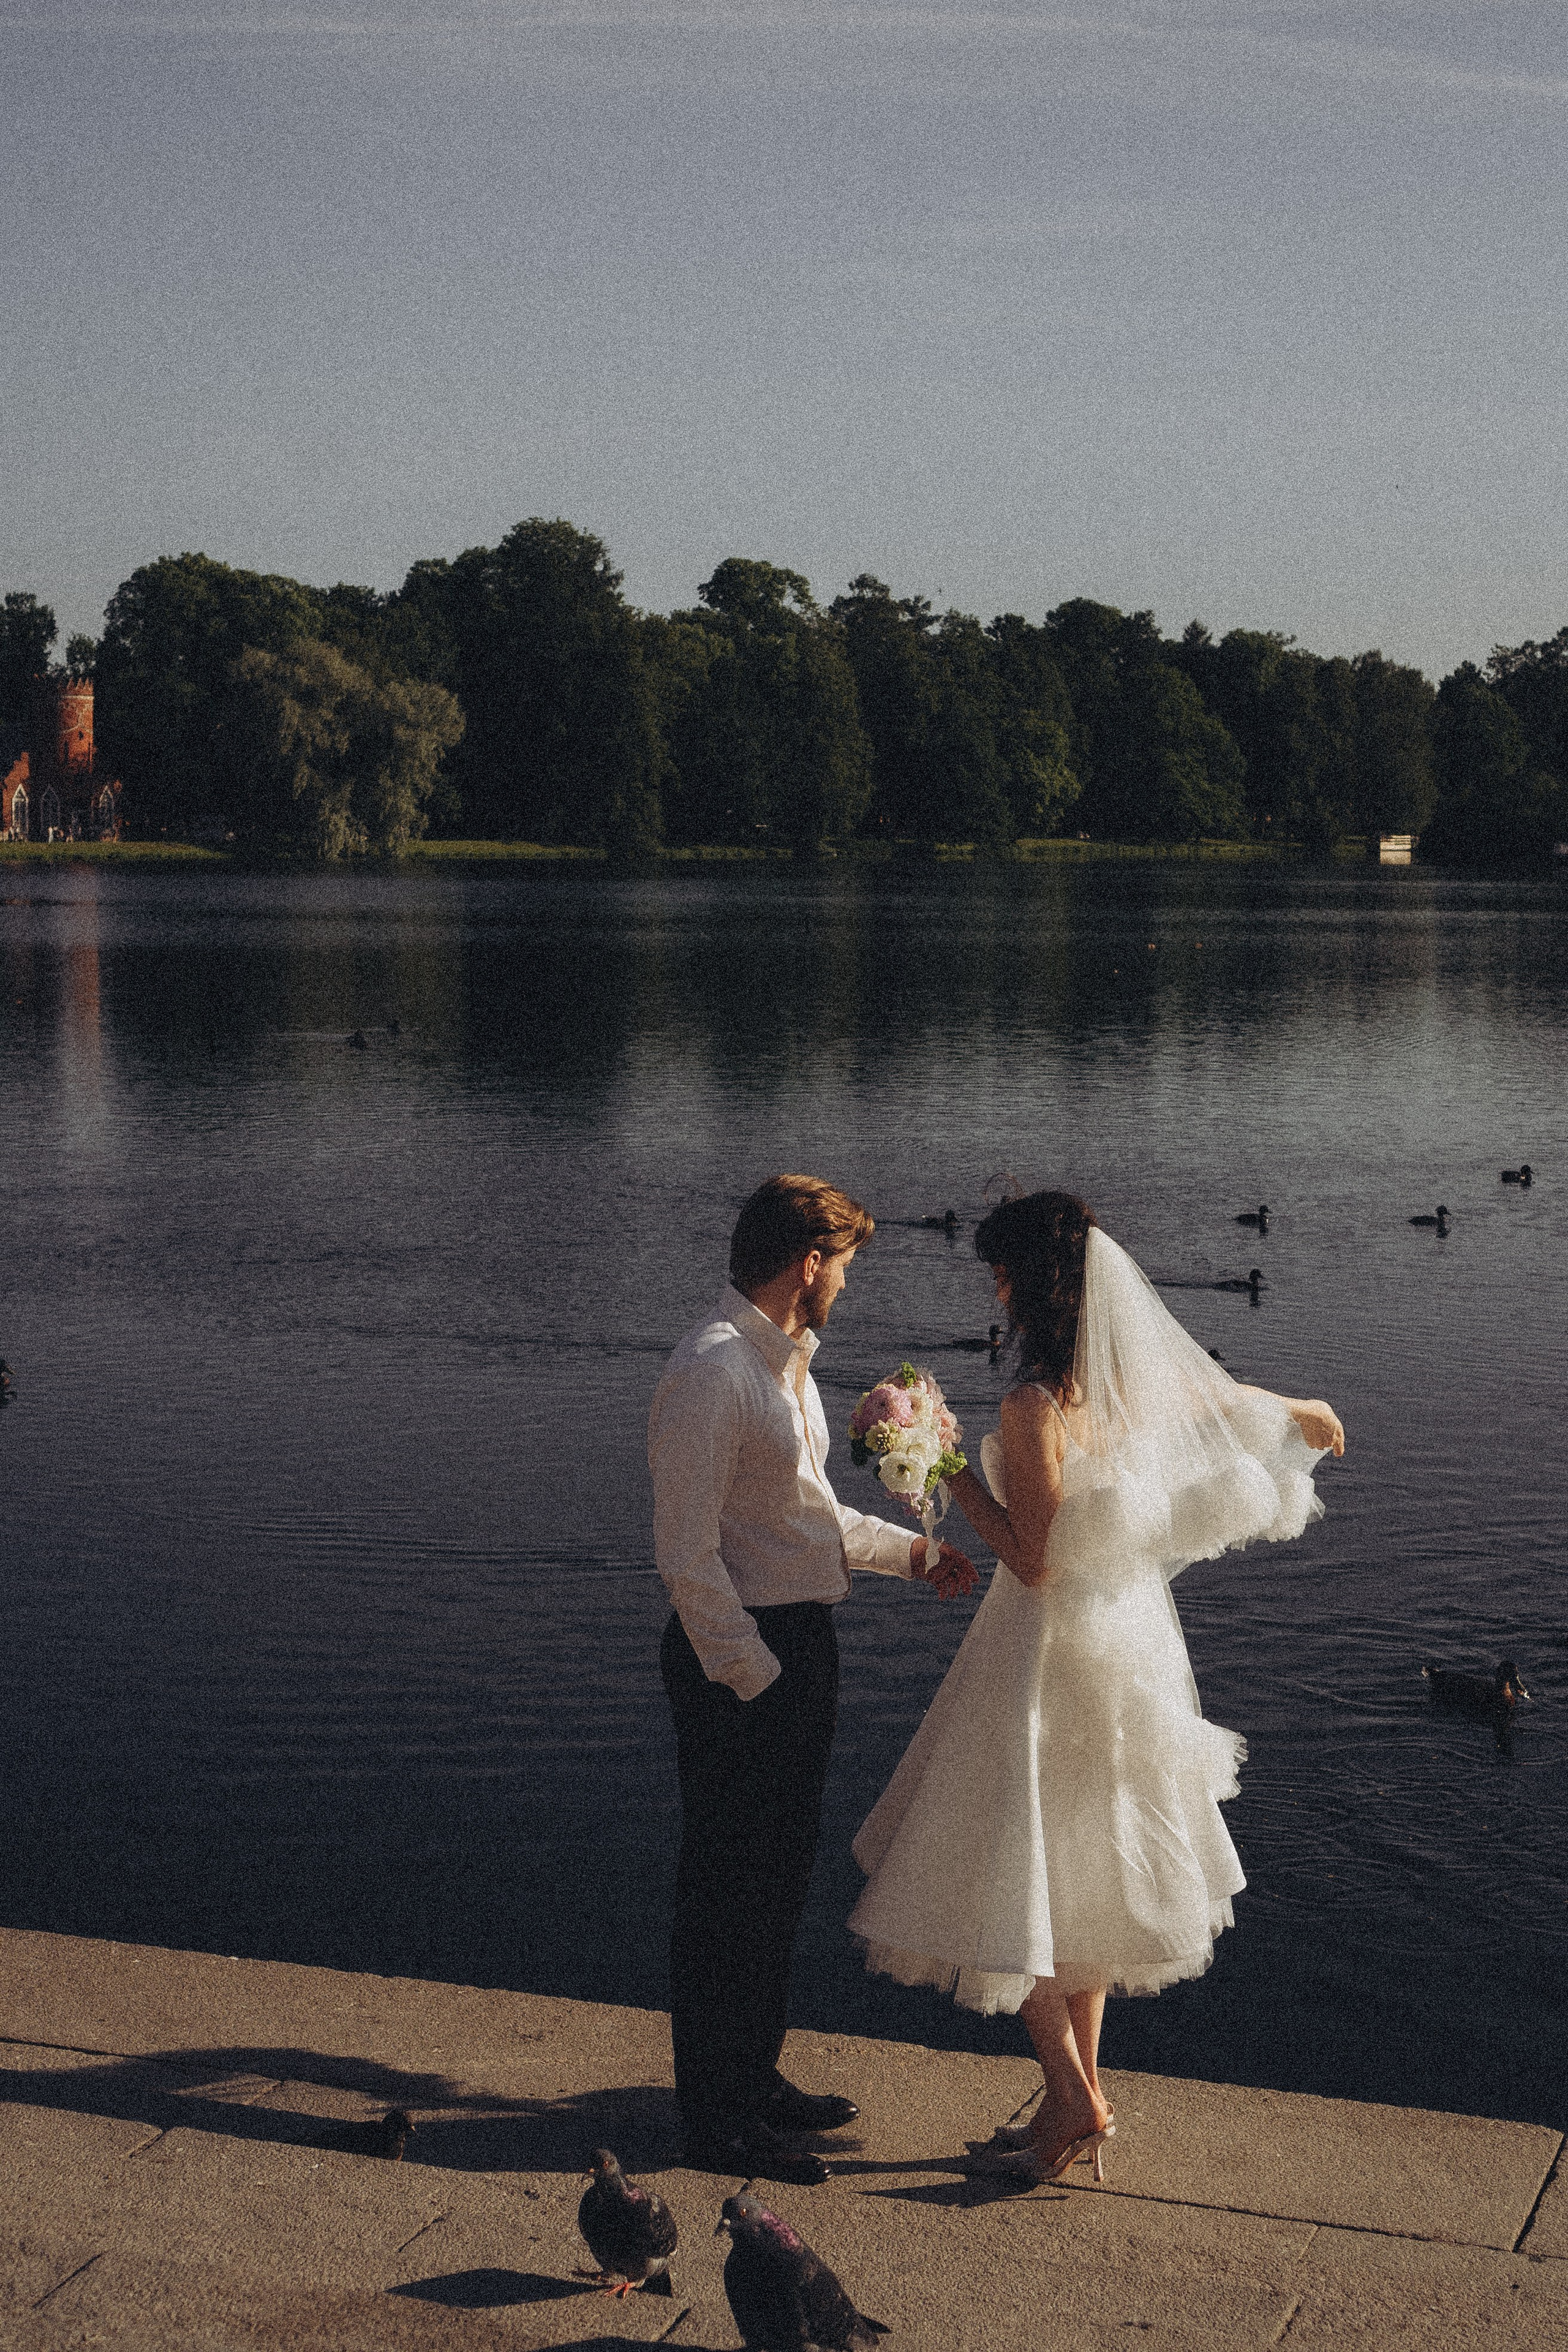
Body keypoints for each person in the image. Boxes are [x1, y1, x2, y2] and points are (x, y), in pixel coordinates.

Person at [848, 1190, 1344, 2185]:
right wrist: (1306, 1413)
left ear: (1034, 1288)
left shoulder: (1032, 1407)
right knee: (1083, 1870)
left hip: (1044, 1652)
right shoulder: (1129, 1387)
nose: (994, 1291)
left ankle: (1072, 2097)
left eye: (1001, 1274)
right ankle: (1070, 2103)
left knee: (1002, 1865)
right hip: (1129, 1644)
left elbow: (1032, 1559)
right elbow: (1226, 1402)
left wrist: (947, 1470)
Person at [650, 1174, 978, 2185]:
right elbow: (686, 1557)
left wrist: (912, 1555)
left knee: (777, 1881)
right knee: (727, 1891)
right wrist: (755, 1678)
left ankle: (752, 2080)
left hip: (791, 1645)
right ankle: (715, 2120)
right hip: (741, 1660)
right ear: (808, 1263)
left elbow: (806, 1515)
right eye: (844, 1266)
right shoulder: (713, 1371)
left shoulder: (780, 1367)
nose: (846, 1284)